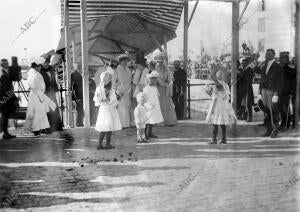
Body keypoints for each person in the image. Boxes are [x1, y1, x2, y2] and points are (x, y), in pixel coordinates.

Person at [256, 49, 283, 138]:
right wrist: (259, 91)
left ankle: (275, 130)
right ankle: (269, 130)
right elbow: (261, 79)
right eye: (266, 54)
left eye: (268, 54)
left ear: (273, 55)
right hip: (264, 90)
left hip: (272, 91)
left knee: (273, 111)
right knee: (266, 111)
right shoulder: (264, 65)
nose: (266, 55)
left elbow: (279, 82)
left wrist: (276, 94)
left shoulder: (277, 66)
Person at [205, 69, 236, 144]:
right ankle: (223, 139)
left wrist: (208, 88)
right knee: (222, 123)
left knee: (215, 123)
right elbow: (225, 95)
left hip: (218, 105)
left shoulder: (218, 84)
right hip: (223, 105)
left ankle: (214, 139)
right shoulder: (224, 84)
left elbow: (213, 93)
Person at [25, 63, 56, 136]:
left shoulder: (34, 73)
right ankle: (36, 130)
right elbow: (33, 86)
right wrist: (40, 95)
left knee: (39, 112)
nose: (40, 68)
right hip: (37, 96)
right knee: (37, 113)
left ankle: (39, 129)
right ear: (36, 67)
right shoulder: (34, 74)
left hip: (38, 95)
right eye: (39, 67)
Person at [94, 70, 121, 150]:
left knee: (107, 126)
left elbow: (112, 99)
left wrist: (114, 100)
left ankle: (105, 144)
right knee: (106, 126)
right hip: (106, 109)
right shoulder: (100, 89)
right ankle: (102, 144)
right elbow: (97, 99)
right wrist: (103, 100)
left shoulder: (108, 88)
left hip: (107, 109)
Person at [41, 57, 64, 133]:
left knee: (54, 109)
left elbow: (53, 80)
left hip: (52, 93)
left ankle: (56, 126)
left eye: (47, 63)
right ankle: (47, 128)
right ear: (42, 63)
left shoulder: (51, 69)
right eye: (45, 63)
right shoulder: (40, 71)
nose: (46, 64)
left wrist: (56, 89)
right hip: (45, 93)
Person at [155, 53, 177, 126]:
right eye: (159, 61)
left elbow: (170, 77)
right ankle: (160, 121)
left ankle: (169, 120)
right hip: (159, 89)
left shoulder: (166, 68)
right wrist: (165, 84)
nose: (160, 63)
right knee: (160, 104)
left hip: (166, 89)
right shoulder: (156, 69)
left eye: (161, 61)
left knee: (167, 104)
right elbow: (158, 79)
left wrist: (169, 82)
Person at [143, 71, 164, 138]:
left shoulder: (154, 88)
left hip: (154, 105)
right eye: (152, 79)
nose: (154, 80)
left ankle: (150, 133)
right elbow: (145, 98)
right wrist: (148, 105)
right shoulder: (146, 88)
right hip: (148, 106)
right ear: (148, 80)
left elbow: (156, 95)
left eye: (155, 79)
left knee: (153, 119)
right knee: (148, 120)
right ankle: (145, 134)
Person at [113, 54, 132, 128]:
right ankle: (120, 124)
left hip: (127, 91)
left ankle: (126, 124)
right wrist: (116, 90)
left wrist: (129, 89)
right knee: (120, 107)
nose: (125, 62)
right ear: (120, 62)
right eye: (123, 61)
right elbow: (113, 82)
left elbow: (130, 80)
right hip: (119, 91)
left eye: (126, 61)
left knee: (126, 107)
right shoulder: (117, 69)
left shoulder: (128, 70)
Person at [278, 52, 296, 130]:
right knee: (281, 109)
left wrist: (292, 91)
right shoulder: (280, 67)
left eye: (283, 58)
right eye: (280, 58)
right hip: (280, 91)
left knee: (286, 109)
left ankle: (286, 124)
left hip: (287, 92)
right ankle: (282, 123)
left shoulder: (291, 67)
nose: (281, 59)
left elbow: (293, 81)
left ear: (287, 58)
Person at [0, 59, 18, 139]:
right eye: (4, 64)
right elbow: (6, 88)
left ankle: (5, 132)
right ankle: (5, 133)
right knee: (5, 115)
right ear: (1, 65)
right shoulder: (3, 74)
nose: (6, 65)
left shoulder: (6, 73)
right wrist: (13, 97)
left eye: (6, 63)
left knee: (5, 115)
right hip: (4, 98)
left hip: (6, 97)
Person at [241, 58, 255, 122]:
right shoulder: (244, 70)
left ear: (247, 63)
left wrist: (242, 75)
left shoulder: (250, 70)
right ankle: (245, 116)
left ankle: (250, 117)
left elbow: (249, 79)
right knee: (244, 103)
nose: (242, 64)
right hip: (244, 88)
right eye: (242, 63)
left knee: (248, 104)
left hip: (248, 88)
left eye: (243, 63)